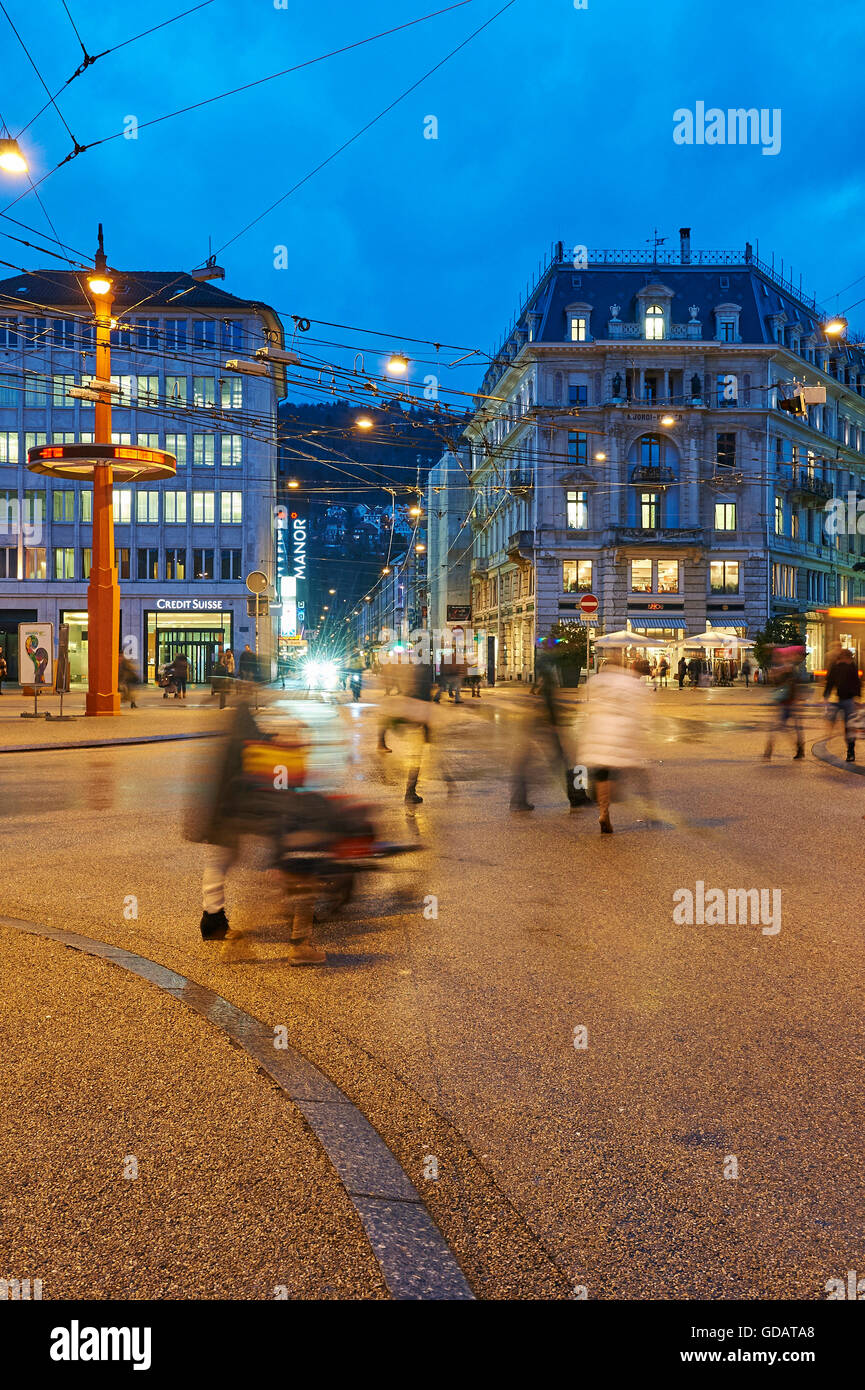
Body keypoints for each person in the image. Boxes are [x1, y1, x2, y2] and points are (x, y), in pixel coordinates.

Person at [190, 702, 326, 963]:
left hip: (224, 810)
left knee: (221, 861)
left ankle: (214, 920)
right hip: (229, 811)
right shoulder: (248, 746)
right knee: (227, 860)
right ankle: (220, 924)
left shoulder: (236, 737)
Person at [579, 655, 651, 833]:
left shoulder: (594, 681)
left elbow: (586, 708)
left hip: (598, 734)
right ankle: (646, 808)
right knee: (617, 774)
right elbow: (639, 711)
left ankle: (604, 813)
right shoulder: (631, 684)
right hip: (620, 735)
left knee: (602, 774)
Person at [763, 646, 806, 761]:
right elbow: (775, 683)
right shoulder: (781, 667)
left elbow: (793, 681)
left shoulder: (789, 667)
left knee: (784, 727)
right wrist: (773, 675)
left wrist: (798, 700)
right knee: (782, 727)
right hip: (783, 701)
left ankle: (771, 749)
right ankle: (771, 749)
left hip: (790, 702)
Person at [824, 646, 861, 762]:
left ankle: (850, 750)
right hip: (843, 700)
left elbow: (830, 681)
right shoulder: (842, 666)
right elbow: (857, 683)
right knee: (848, 726)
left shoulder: (848, 666)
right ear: (847, 657)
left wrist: (826, 694)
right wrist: (857, 698)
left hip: (843, 700)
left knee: (848, 727)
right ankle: (850, 751)